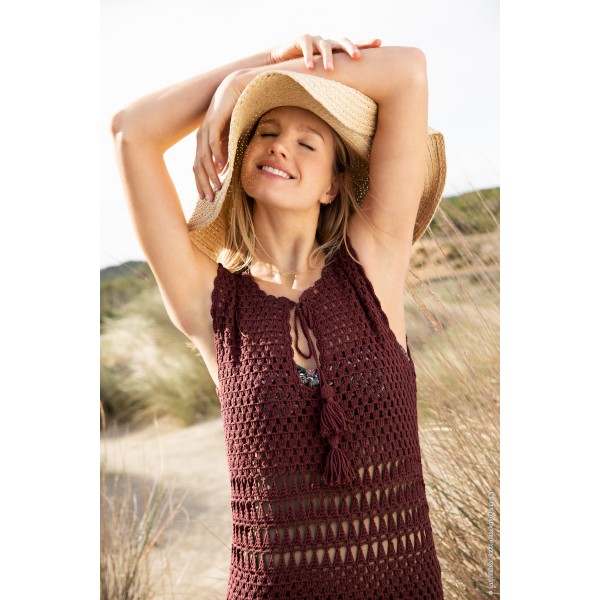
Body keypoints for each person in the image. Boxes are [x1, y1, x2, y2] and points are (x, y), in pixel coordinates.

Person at [112, 34, 446, 599]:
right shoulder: (210, 301)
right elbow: (131, 131)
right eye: (265, 132)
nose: (280, 147)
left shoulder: (375, 263)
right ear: (240, 160)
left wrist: (254, 83)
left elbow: (407, 71)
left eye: (306, 142)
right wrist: (254, 68)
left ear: (333, 185)